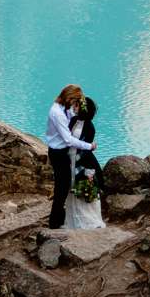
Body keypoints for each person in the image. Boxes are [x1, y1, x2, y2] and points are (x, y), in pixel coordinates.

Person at [44, 84, 95, 229]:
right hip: (58, 153)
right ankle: (55, 222)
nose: (74, 105)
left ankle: (59, 217)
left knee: (64, 186)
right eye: (74, 102)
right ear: (69, 98)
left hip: (61, 152)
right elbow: (68, 139)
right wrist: (89, 146)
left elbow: (73, 116)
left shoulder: (63, 109)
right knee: (62, 187)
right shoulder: (57, 113)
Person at [64, 95, 105, 230]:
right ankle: (72, 220)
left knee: (82, 186)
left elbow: (86, 147)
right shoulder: (73, 120)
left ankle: (87, 221)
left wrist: (76, 159)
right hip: (70, 157)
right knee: (70, 188)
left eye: (76, 106)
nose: (74, 108)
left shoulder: (90, 127)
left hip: (81, 160)